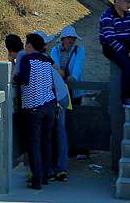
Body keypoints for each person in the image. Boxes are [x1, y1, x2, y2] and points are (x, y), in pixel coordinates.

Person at [16, 32, 58, 189]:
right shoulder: (47, 60)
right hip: (49, 105)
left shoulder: (27, 59)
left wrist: (15, 79)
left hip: (34, 107)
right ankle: (46, 175)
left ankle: (36, 180)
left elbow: (24, 79)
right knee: (46, 141)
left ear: (29, 45)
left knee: (34, 144)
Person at [49, 26, 83, 177]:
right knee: (60, 126)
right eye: (69, 38)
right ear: (63, 39)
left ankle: (74, 149)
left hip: (73, 90)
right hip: (59, 90)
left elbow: (78, 68)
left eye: (73, 38)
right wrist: (61, 78)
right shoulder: (55, 51)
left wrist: (71, 78)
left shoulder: (79, 51)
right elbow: (55, 67)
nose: (71, 40)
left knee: (73, 119)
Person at [99, 0, 130, 109]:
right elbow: (110, 39)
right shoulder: (107, 16)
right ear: (117, 2)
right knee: (127, 65)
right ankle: (125, 98)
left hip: (125, 42)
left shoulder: (127, 15)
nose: (128, 5)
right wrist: (128, 53)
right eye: (127, 2)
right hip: (110, 46)